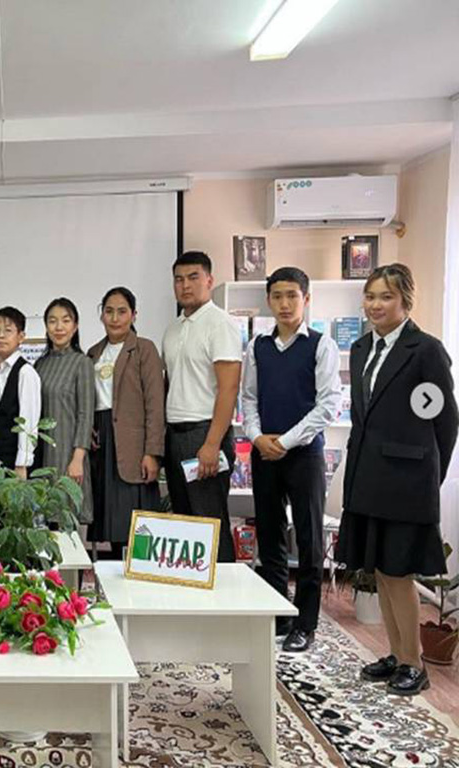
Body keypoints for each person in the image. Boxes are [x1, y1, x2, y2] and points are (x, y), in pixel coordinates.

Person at [336, 263, 457, 695]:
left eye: (385, 296)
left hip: (407, 481)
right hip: (367, 477)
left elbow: (445, 421)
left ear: (405, 300)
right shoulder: (360, 348)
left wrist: (429, 476)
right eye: (370, 296)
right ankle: (396, 653)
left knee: (399, 572)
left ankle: (413, 664)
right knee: (381, 573)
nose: (375, 305)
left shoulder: (425, 350)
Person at [241, 267, 342, 652]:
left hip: (304, 455)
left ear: (306, 299)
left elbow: (328, 405)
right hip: (264, 452)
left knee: (309, 538)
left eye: (292, 296)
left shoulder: (321, 345)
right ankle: (279, 615)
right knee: (270, 537)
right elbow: (249, 398)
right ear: (269, 300)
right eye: (277, 296)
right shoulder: (258, 346)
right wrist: (256, 437)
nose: (284, 304)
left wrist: (284, 440)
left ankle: (305, 623)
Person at [160, 251, 241, 562]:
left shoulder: (220, 324)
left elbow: (229, 388)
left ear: (209, 280)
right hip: (176, 435)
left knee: (210, 523)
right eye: (178, 279)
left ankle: (224, 590)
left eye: (193, 277)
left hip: (205, 434)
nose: (185, 285)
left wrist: (212, 444)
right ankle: (192, 592)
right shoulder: (173, 329)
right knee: (185, 524)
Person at [86, 287, 164, 559]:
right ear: (101, 315)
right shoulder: (93, 353)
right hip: (102, 441)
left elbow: (155, 404)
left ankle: (139, 574)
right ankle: (110, 573)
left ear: (134, 315)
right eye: (109, 311)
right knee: (109, 519)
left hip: (133, 445)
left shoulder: (144, 349)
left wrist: (152, 453)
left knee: (137, 522)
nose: (115, 318)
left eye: (121, 311)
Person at [34, 298, 94, 525]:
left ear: (75, 326)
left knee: (66, 521)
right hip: (41, 454)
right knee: (42, 522)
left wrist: (78, 458)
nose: (59, 327)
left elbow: (85, 414)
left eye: (65, 321)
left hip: (68, 453)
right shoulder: (40, 365)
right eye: (52, 321)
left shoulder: (82, 363)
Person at [0, 306, 41, 476]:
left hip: (17, 462)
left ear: (21, 336)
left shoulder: (26, 372)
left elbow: (29, 422)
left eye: (8, 330)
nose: (1, 335)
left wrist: (22, 464)